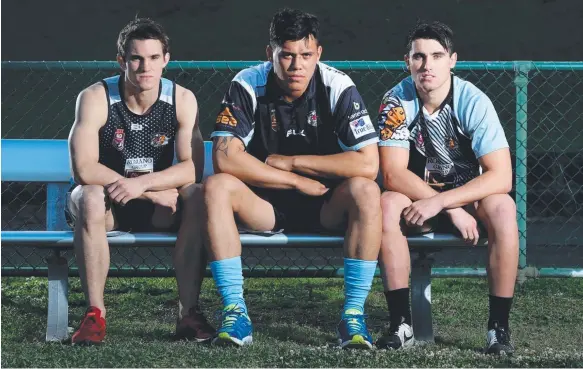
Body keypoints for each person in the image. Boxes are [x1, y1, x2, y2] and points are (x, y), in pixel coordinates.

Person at [203, 8, 381, 349]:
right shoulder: (247, 83)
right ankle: (235, 312)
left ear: (319, 55)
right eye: (286, 55)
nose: (296, 65)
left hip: (324, 204)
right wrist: (295, 180)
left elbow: (368, 164)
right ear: (269, 53)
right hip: (265, 204)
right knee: (215, 186)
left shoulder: (337, 85)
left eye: (305, 55)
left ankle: (354, 316)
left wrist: (294, 161)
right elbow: (225, 158)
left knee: (367, 191)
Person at [66, 18, 214, 345]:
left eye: (153, 58)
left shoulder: (182, 99)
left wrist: (143, 184)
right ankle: (94, 316)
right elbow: (84, 169)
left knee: (198, 196)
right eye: (135, 58)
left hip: (158, 207)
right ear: (122, 61)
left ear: (166, 60)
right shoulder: (95, 97)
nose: (144, 66)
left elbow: (193, 168)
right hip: (106, 206)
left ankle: (188, 313)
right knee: (88, 196)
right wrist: (143, 190)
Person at [375, 21, 518, 355]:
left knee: (503, 207)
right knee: (385, 202)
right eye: (419, 57)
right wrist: (445, 207)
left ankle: (498, 329)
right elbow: (392, 174)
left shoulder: (473, 100)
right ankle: (401, 324)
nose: (427, 65)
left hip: (466, 201)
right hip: (417, 202)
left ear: (452, 60)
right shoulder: (395, 101)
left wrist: (448, 203)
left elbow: (501, 177)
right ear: (407, 61)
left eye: (437, 56)